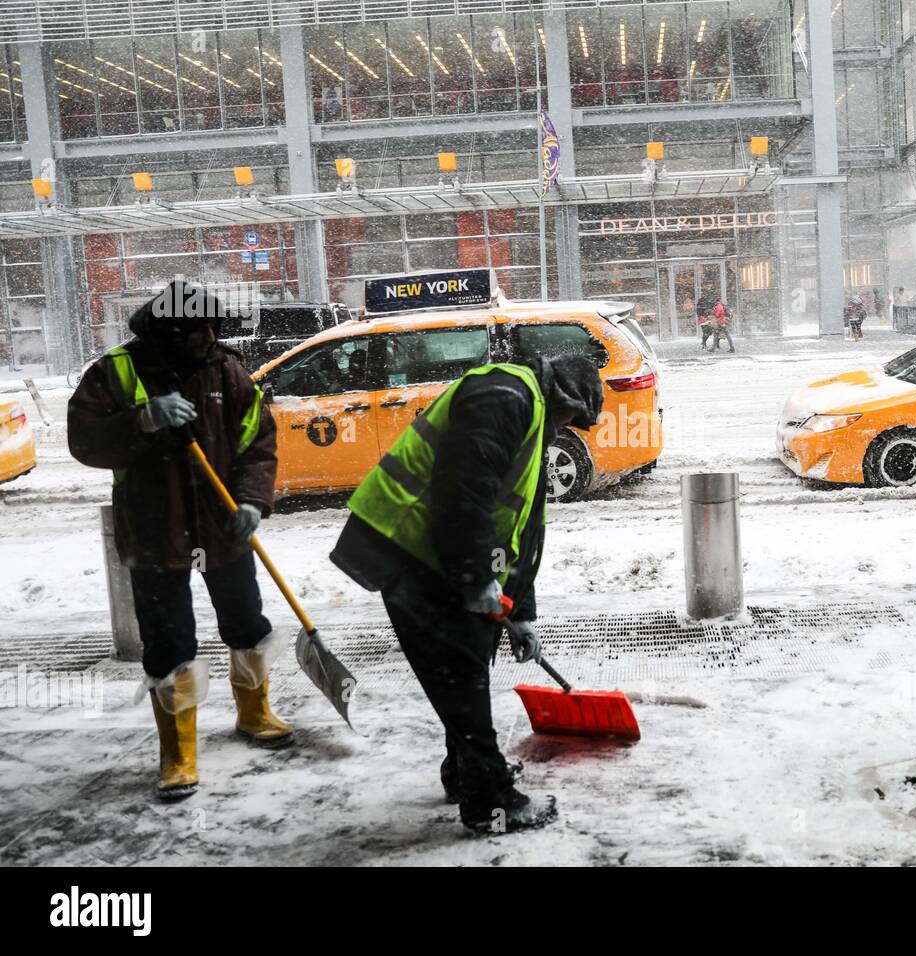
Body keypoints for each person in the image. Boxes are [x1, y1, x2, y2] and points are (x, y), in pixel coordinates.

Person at [330, 353, 604, 834]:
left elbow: (524, 530)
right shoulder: (504, 395)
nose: (565, 430)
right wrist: (477, 576)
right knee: (461, 676)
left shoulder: (531, 420)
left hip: (439, 553)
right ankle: (489, 800)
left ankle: (465, 773)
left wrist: (519, 613)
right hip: (406, 545)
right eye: (569, 419)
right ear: (562, 396)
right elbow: (465, 492)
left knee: (468, 661)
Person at [67, 279, 287, 801]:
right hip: (154, 527)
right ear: (168, 330)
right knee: (168, 641)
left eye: (214, 327)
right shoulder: (115, 373)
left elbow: (257, 441)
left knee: (247, 621)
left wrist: (252, 501)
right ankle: (178, 752)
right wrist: (140, 420)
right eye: (197, 329)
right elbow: (84, 442)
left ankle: (254, 713)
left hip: (222, 522)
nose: (209, 336)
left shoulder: (226, 370)